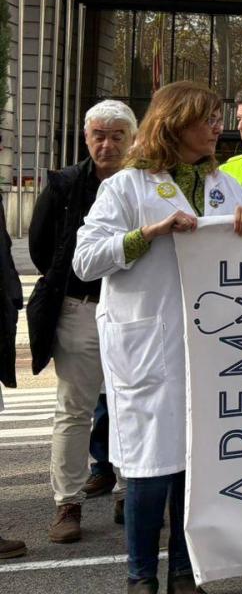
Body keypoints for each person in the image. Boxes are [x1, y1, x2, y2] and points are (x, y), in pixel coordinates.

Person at [73, 81, 242, 593]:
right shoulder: (127, 187)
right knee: (150, 466)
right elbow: (85, 260)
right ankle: (140, 576)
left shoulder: (224, 186)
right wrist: (147, 234)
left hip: (209, 348)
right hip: (149, 342)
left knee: (195, 467)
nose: (217, 128)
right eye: (207, 119)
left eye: (218, 117)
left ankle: (183, 573)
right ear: (175, 124)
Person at [31, 100, 136, 548]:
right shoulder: (64, 183)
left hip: (135, 310)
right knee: (73, 409)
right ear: (86, 137)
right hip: (80, 307)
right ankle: (67, 503)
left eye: (116, 136)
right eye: (98, 135)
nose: (106, 144)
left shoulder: (148, 183)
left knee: (132, 405)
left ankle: (129, 493)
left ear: (132, 139)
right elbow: (40, 246)